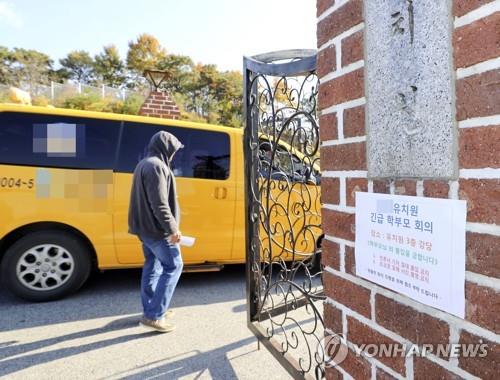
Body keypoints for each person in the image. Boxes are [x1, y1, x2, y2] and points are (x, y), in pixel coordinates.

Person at [128, 131, 184, 333]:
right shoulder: (157, 167)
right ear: (166, 147)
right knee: (174, 266)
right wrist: (172, 229)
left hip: (145, 229)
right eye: (174, 149)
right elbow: (159, 204)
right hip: (157, 231)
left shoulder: (144, 163)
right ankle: (154, 315)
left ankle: (152, 308)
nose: (175, 154)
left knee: (153, 266)